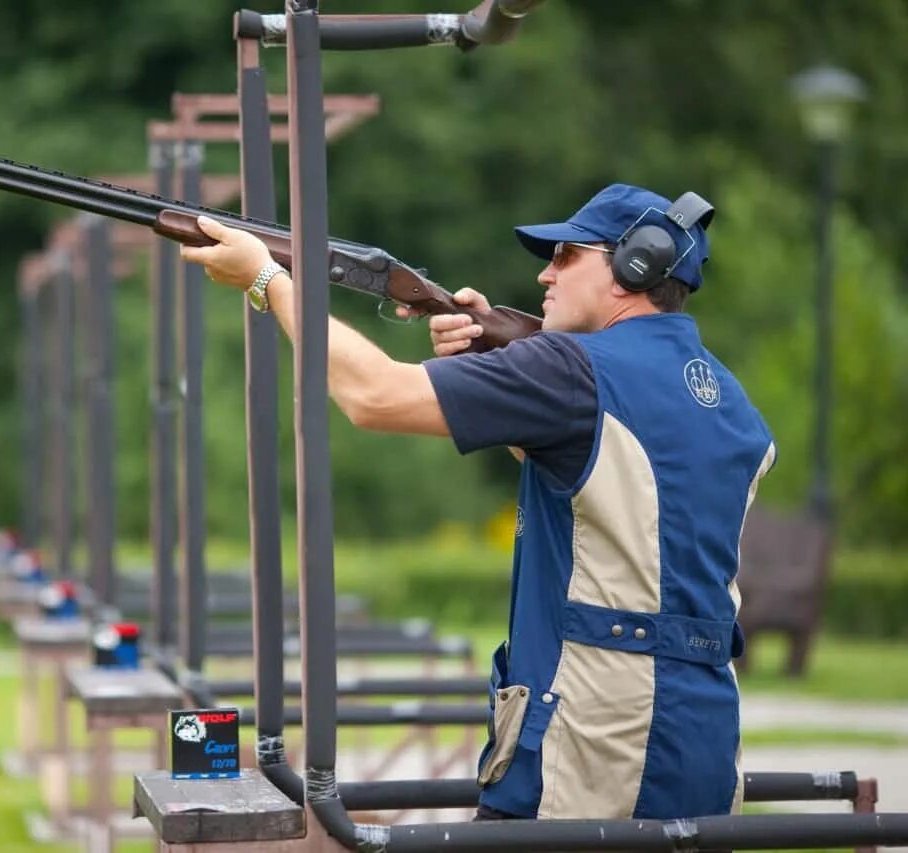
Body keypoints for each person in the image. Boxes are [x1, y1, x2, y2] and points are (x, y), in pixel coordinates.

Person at [180, 183, 776, 822]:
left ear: (634, 266)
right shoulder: (729, 399)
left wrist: (269, 280)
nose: (545, 272)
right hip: (704, 738)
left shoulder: (568, 369)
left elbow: (374, 397)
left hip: (593, 746)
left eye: (567, 256)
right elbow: (611, 477)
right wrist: (502, 355)